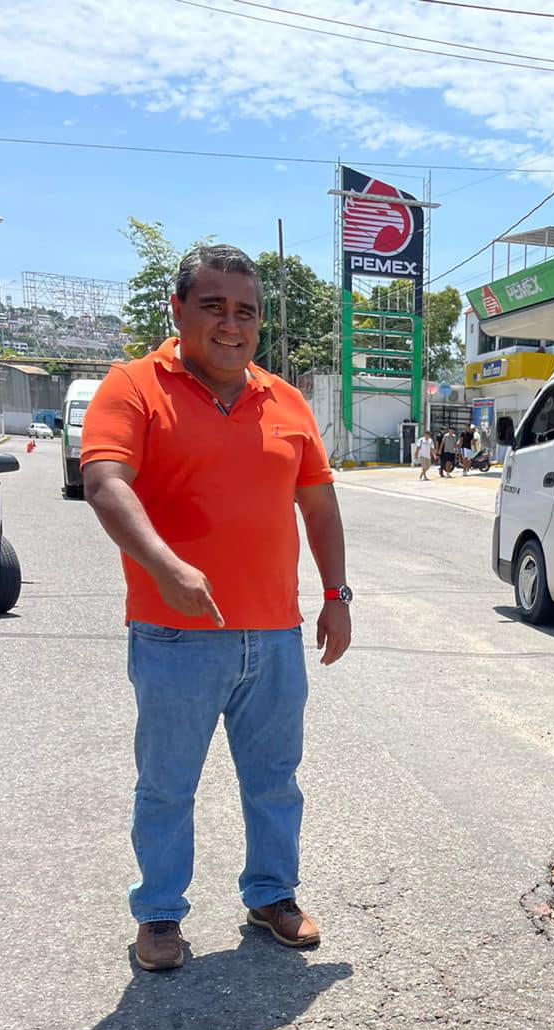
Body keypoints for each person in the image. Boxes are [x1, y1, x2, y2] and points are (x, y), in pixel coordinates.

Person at [81, 243, 352, 973]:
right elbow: (107, 482)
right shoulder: (134, 387)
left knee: (275, 780)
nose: (232, 325)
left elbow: (319, 507)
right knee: (167, 785)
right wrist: (163, 565)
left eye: (246, 312)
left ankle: (271, 895)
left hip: (274, 636)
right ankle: (160, 914)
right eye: (214, 307)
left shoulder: (285, 401)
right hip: (174, 636)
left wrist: (336, 596)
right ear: (178, 309)